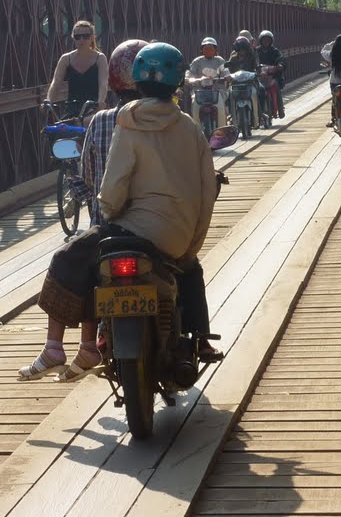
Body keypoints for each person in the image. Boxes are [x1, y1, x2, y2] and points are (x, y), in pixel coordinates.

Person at [19, 43, 222, 383]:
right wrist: (190, 243)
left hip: (132, 231)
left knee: (69, 257)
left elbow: (112, 187)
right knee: (191, 271)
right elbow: (206, 192)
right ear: (177, 84)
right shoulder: (190, 127)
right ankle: (199, 338)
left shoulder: (128, 121)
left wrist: (110, 215)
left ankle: (58, 346)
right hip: (180, 236)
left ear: (136, 83)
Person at [73, 39, 148, 227]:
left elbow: (88, 176)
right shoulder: (171, 119)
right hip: (152, 226)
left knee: (63, 257)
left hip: (104, 224)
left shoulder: (99, 121)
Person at [45, 20, 108, 117]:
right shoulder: (66, 59)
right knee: (61, 129)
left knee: (88, 123)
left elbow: (103, 83)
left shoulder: (100, 58)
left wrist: (100, 102)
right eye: (77, 37)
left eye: (85, 36)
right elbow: (56, 82)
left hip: (92, 107)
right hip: (71, 108)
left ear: (92, 38)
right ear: (73, 38)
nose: (81, 40)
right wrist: (49, 100)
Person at [186, 37, 231, 127]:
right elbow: (190, 71)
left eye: (211, 48)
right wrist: (187, 78)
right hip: (199, 92)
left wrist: (227, 76)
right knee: (195, 105)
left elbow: (225, 70)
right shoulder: (197, 61)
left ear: (215, 50)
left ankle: (222, 128)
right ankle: (197, 130)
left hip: (217, 91)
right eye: (206, 48)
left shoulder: (220, 60)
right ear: (202, 50)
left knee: (220, 106)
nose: (208, 50)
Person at [256, 30, 286, 117]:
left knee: (276, 85)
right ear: (261, 41)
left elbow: (280, 58)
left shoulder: (274, 51)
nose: (266, 42)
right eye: (264, 40)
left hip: (272, 76)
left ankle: (280, 109)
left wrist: (280, 65)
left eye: (268, 40)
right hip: (260, 76)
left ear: (271, 41)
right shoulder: (256, 51)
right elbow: (253, 60)